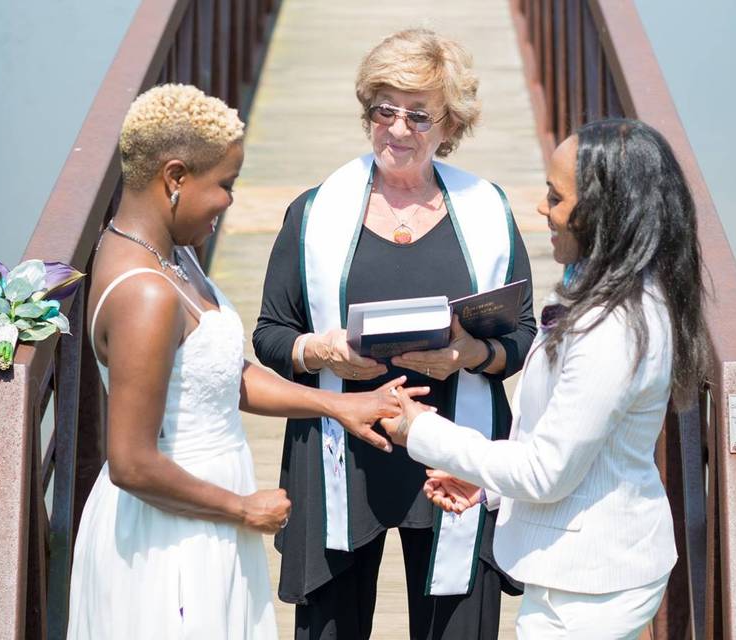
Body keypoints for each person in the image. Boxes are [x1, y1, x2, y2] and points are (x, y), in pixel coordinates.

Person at [66, 84, 416, 640]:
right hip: (173, 530)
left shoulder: (169, 253)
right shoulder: (147, 295)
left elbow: (221, 372)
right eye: (224, 184)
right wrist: (241, 508)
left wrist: (337, 406)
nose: (230, 201)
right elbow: (131, 462)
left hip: (204, 513)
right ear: (175, 178)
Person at [253, 29, 536, 640]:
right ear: (367, 113)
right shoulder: (313, 212)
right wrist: (322, 350)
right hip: (342, 446)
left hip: (456, 452)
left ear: (449, 125)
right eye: (384, 110)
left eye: (418, 115)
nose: (399, 129)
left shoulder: (488, 210)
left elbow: (523, 334)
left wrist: (470, 353)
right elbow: (271, 335)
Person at [381, 118, 711, 639]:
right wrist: (487, 483)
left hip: (591, 586)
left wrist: (422, 432)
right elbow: (566, 444)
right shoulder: (597, 289)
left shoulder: (616, 326)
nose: (542, 209)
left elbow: (546, 471)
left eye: (556, 198)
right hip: (577, 573)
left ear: (606, 212)